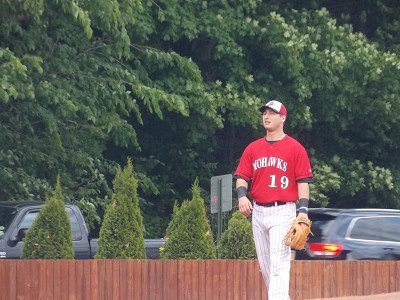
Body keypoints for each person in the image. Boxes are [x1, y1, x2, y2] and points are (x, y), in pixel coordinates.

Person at [234, 100, 313, 300]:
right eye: (265, 113)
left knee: (278, 263)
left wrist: (303, 210)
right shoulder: (253, 148)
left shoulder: (295, 148)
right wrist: (242, 196)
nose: (266, 116)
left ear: (283, 118)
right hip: (258, 212)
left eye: (272, 113)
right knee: (267, 267)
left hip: (282, 211)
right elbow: (242, 176)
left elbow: (303, 181)